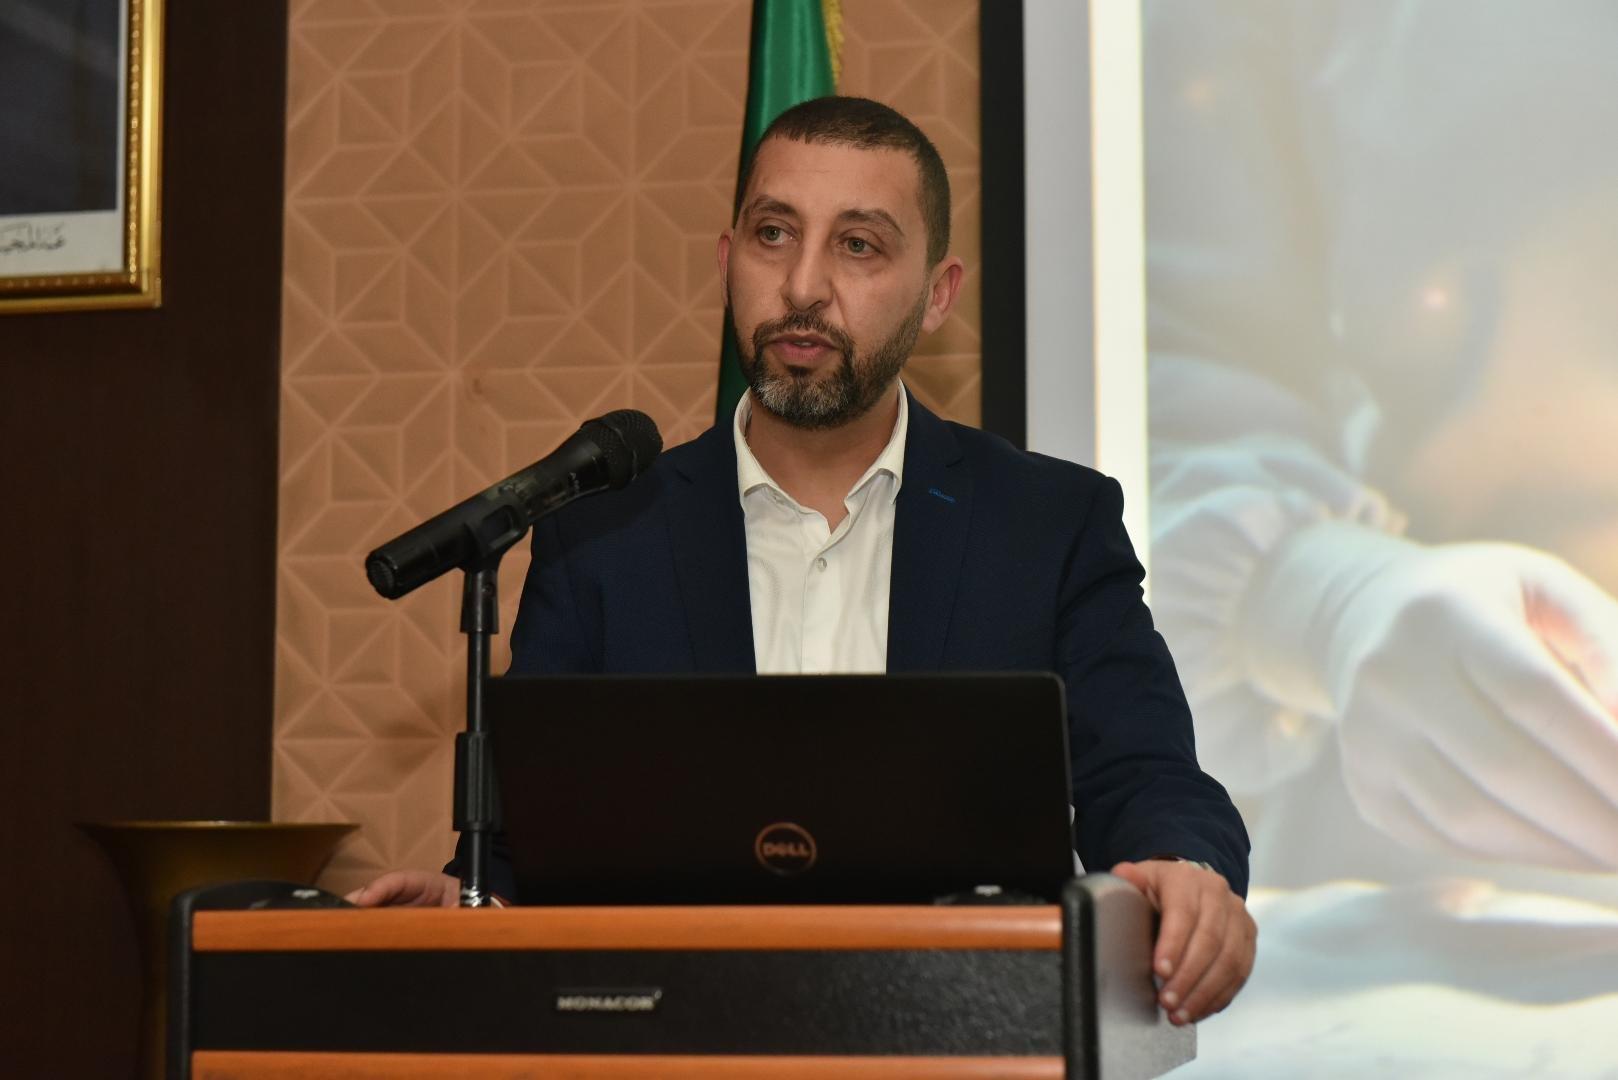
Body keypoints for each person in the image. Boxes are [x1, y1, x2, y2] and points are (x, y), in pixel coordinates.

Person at [350, 96, 1256, 1027]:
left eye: (858, 245)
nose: (803, 286)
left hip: (964, 1035)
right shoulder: (605, 536)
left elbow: (1146, 777)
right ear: (726, 261)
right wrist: (471, 911)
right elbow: (530, 845)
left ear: (938, 295)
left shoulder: (1046, 525)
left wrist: (1184, 871)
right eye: (774, 234)